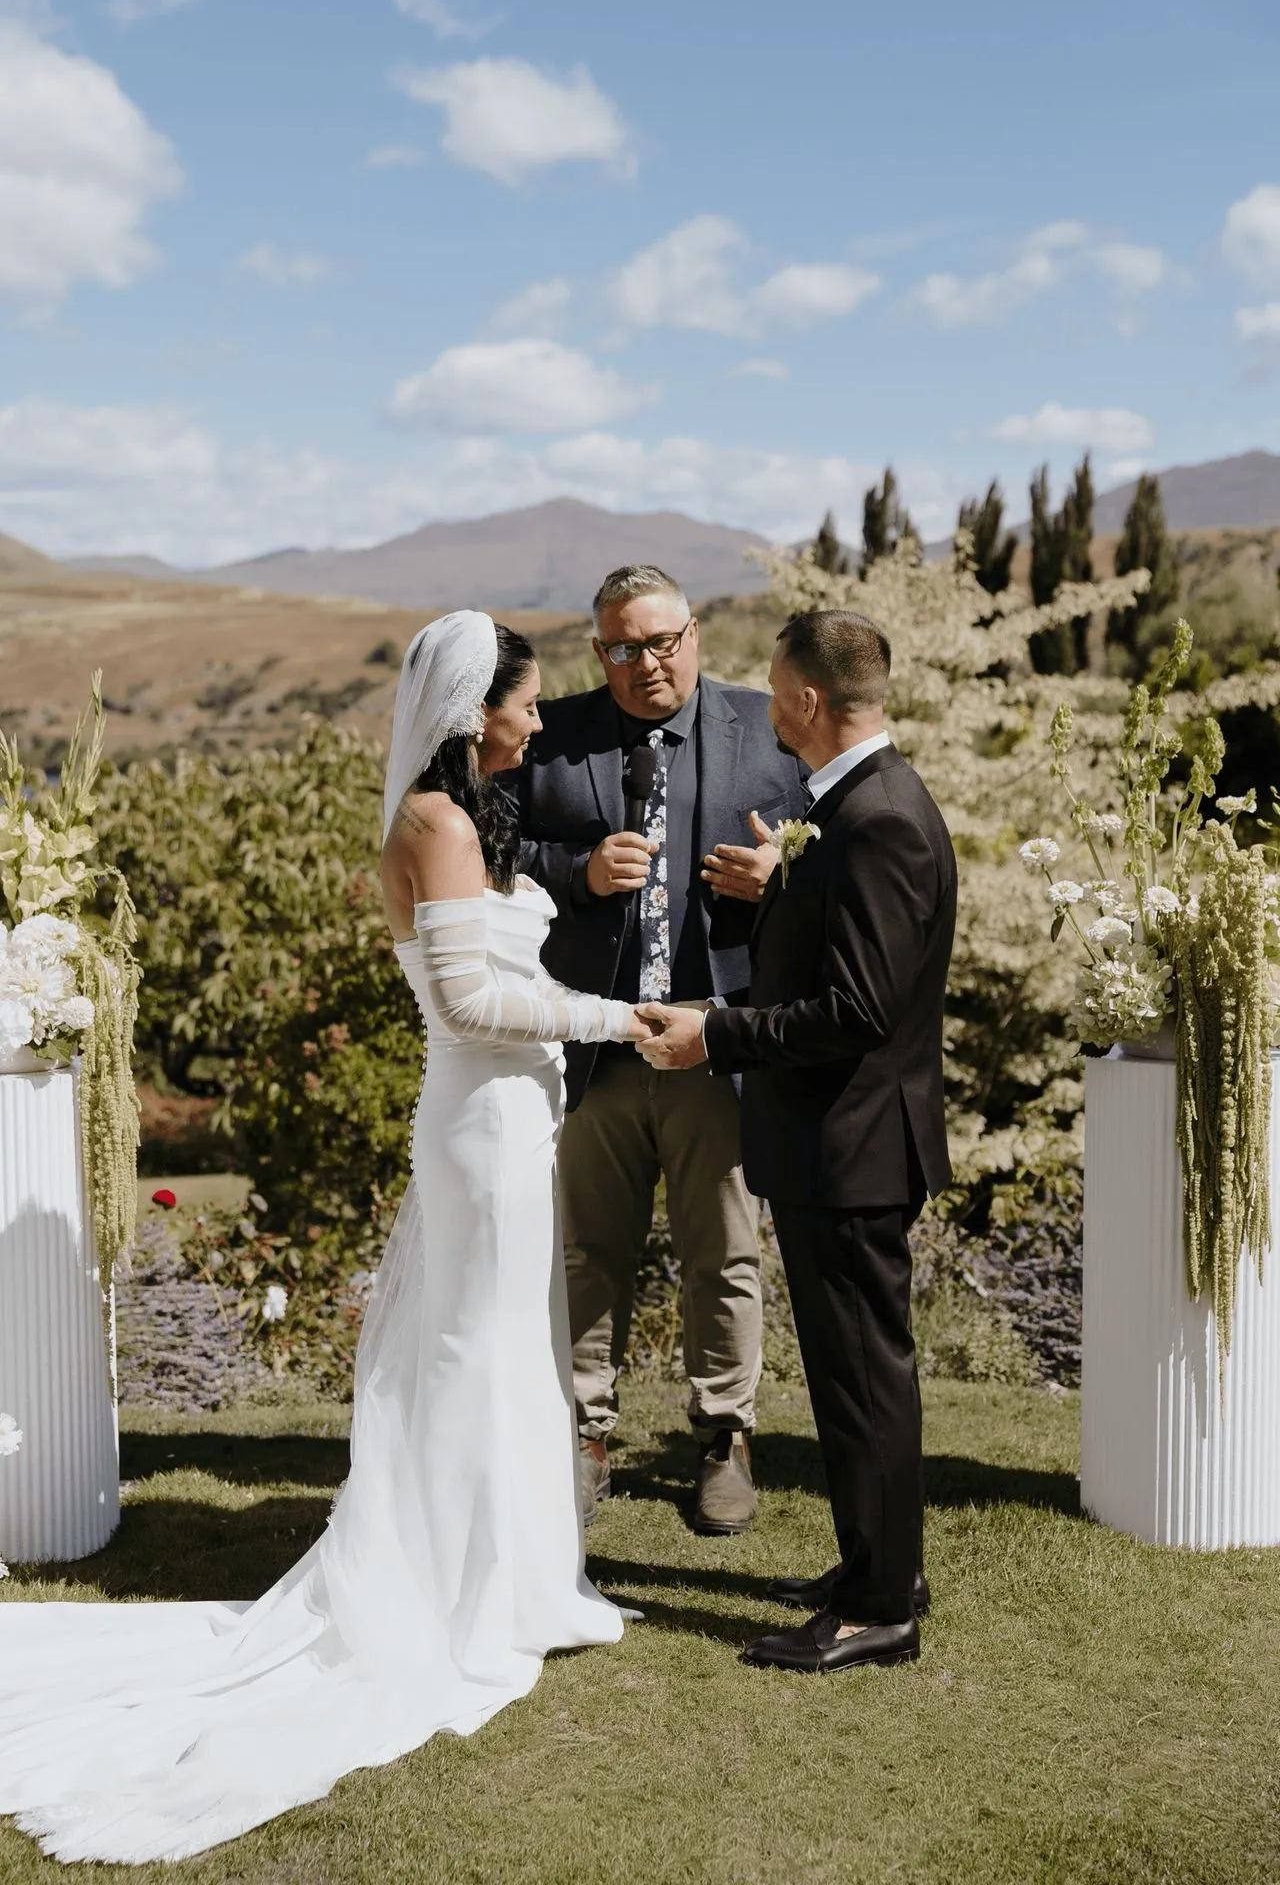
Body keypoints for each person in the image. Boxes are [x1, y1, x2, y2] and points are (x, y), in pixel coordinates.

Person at [0, 612, 648, 1864]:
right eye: (521, 702)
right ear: (474, 712)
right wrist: (621, 1020)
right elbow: (468, 999)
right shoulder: (433, 823)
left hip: (515, 1116)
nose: (535, 717)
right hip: (479, 1121)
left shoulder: (471, 817)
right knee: (470, 1347)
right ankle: (459, 1594)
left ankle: (516, 1580)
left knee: (514, 1343)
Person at [638, 607, 956, 1673]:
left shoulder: (880, 821)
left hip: (854, 1145)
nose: (765, 708)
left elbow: (858, 1009)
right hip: (836, 1142)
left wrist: (715, 1033)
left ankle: (878, 1611)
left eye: (775, 692)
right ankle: (879, 1568)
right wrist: (779, 887)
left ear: (810, 702)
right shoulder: (848, 808)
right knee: (851, 1373)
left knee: (864, 1377)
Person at [514, 565, 807, 1535]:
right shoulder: (553, 737)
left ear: (697, 632)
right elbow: (489, 849)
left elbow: (840, 843)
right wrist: (578, 869)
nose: (646, 663)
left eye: (662, 641)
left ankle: (723, 1434)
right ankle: (582, 1433)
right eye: (623, 649)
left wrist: (782, 877)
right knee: (584, 1254)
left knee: (720, 1251)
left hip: (712, 1041)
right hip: (594, 1041)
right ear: (598, 652)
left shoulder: (763, 729)